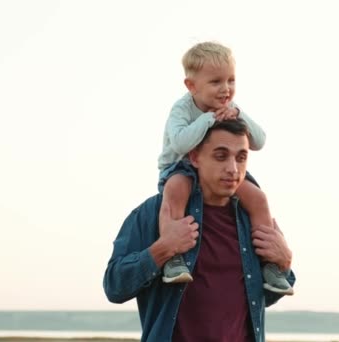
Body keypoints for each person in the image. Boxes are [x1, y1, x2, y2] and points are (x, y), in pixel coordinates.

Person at [103, 119, 296, 342]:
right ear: (194, 158)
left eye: (241, 158)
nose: (233, 169)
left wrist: (284, 264)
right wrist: (162, 249)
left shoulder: (251, 219)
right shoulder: (156, 213)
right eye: (221, 156)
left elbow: (258, 298)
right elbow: (114, 286)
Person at [157, 41, 293, 295]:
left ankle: (271, 265)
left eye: (231, 80)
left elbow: (259, 141)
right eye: (216, 82)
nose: (226, 89)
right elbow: (181, 142)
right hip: (180, 167)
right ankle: (173, 259)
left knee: (257, 197)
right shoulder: (182, 109)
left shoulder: (229, 107)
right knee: (175, 190)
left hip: (219, 173)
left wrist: (236, 112)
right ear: (191, 86)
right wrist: (209, 118)